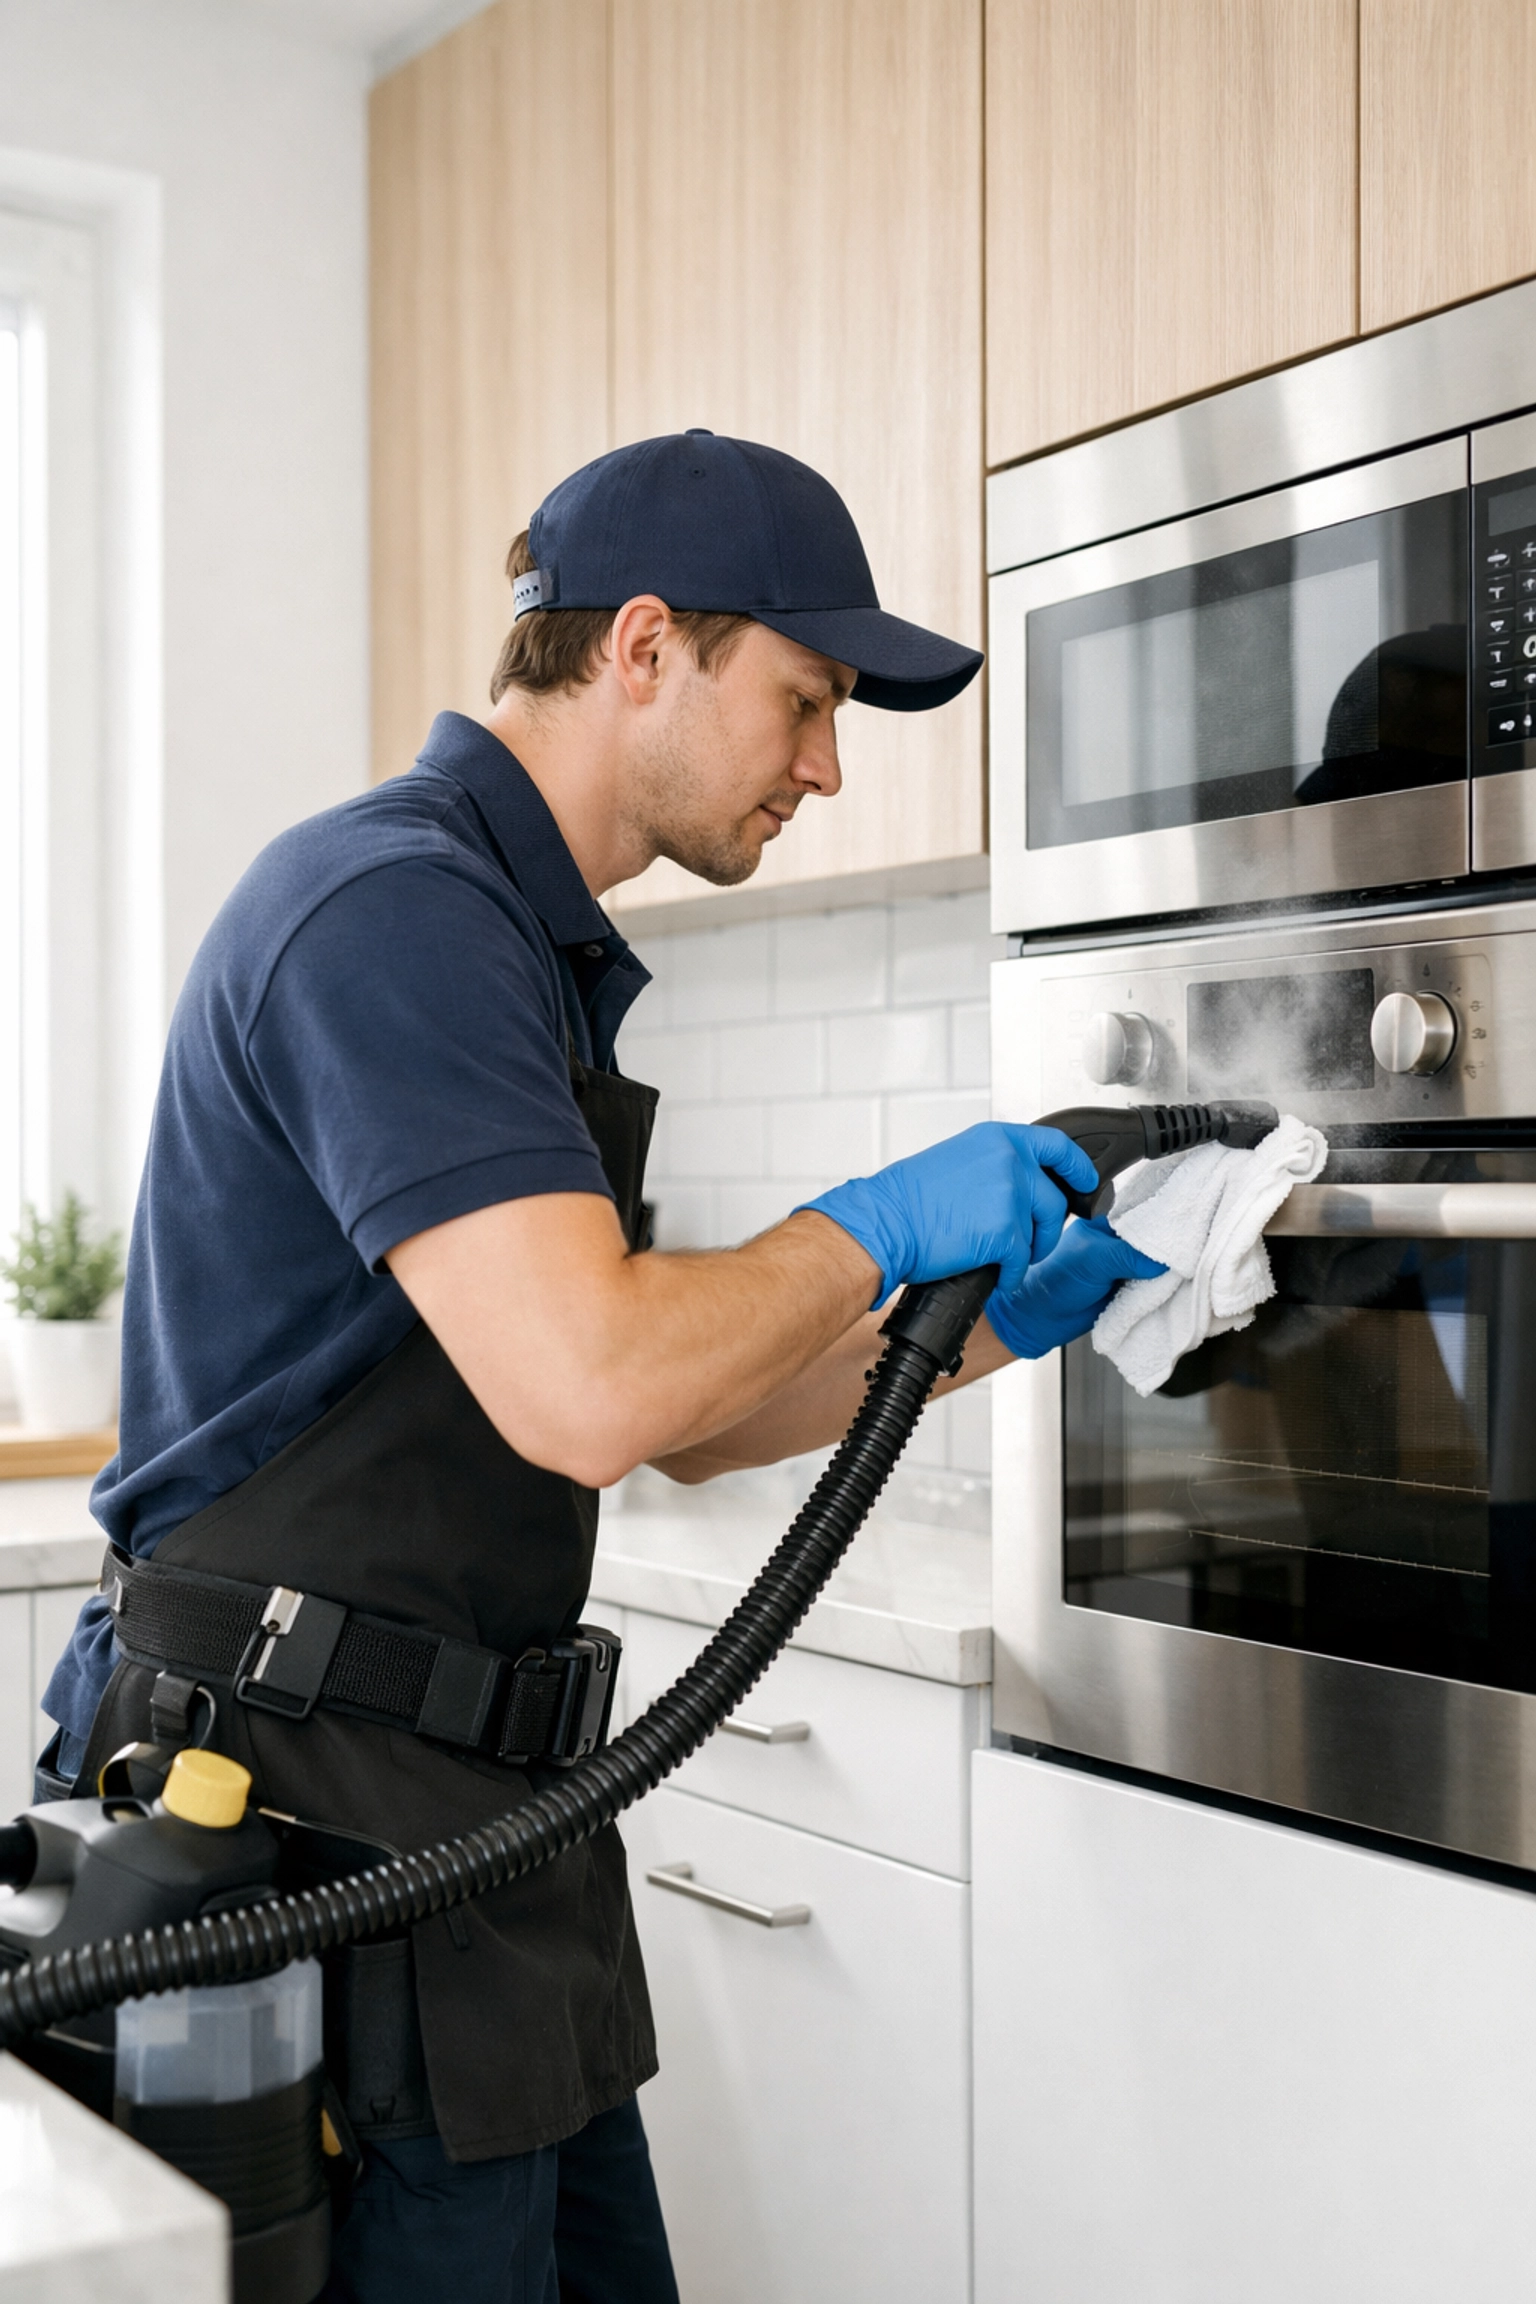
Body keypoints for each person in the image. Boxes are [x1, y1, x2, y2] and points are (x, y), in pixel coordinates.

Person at [36, 431, 1159, 2302]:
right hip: (303, 1833)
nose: (826, 763)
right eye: (804, 700)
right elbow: (597, 1389)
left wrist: (963, 1342)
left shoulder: (527, 947)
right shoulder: (390, 909)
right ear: (643, 646)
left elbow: (684, 1418)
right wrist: (877, 1218)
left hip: (491, 1841)